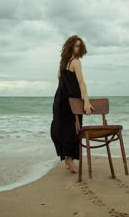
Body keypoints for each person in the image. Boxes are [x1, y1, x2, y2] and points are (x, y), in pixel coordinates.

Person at [50, 35, 94, 173]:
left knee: (64, 129)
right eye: (76, 45)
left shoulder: (63, 62)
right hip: (71, 100)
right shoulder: (75, 62)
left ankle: (68, 158)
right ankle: (69, 158)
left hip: (60, 99)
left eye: (80, 46)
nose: (78, 48)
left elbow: (58, 77)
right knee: (73, 129)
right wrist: (86, 101)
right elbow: (81, 82)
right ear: (70, 46)